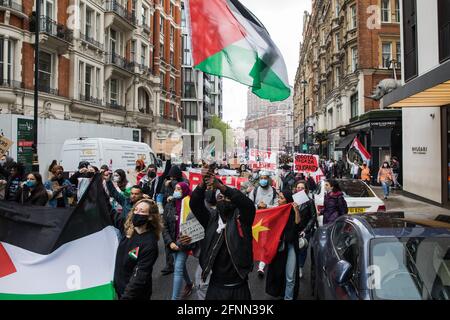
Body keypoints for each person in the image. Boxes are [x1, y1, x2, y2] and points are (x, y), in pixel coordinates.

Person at [189, 170, 256, 300]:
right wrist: (203, 183)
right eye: (220, 197)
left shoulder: (242, 220)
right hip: (216, 287)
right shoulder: (210, 220)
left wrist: (221, 187)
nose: (224, 200)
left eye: (227, 197)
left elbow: (247, 205)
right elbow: (195, 204)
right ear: (216, 201)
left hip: (239, 287)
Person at [113, 199, 161, 300]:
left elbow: (139, 277)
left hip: (134, 295)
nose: (137, 213)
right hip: (120, 287)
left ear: (150, 217)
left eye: (142, 211)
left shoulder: (149, 244)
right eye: (136, 210)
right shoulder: (128, 229)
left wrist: (125, 297)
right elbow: (110, 212)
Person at [265, 190, 301, 300]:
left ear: (287, 200)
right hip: (278, 247)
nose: (278, 200)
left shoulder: (295, 211)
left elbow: (297, 228)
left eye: (281, 198)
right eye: (278, 198)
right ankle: (279, 292)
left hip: (290, 247)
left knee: (290, 276)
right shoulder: (276, 211)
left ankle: (288, 297)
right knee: (278, 273)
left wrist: (296, 212)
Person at [162, 182, 194, 300]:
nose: (176, 191)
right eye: (175, 188)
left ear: (185, 191)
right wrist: (170, 242)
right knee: (178, 265)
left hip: (184, 242)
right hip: (172, 242)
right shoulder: (169, 205)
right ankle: (189, 284)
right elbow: (164, 225)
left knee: (178, 268)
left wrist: (178, 244)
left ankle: (174, 298)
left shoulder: (191, 205)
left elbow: (192, 227)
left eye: (179, 189)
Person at [293, 181, 317, 278]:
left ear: (306, 190)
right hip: (294, 229)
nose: (300, 189)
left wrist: (306, 230)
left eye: (302, 188)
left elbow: (313, 217)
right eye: (298, 187)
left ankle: (300, 267)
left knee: (302, 250)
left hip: (304, 230)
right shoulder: (293, 200)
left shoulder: (310, 201)